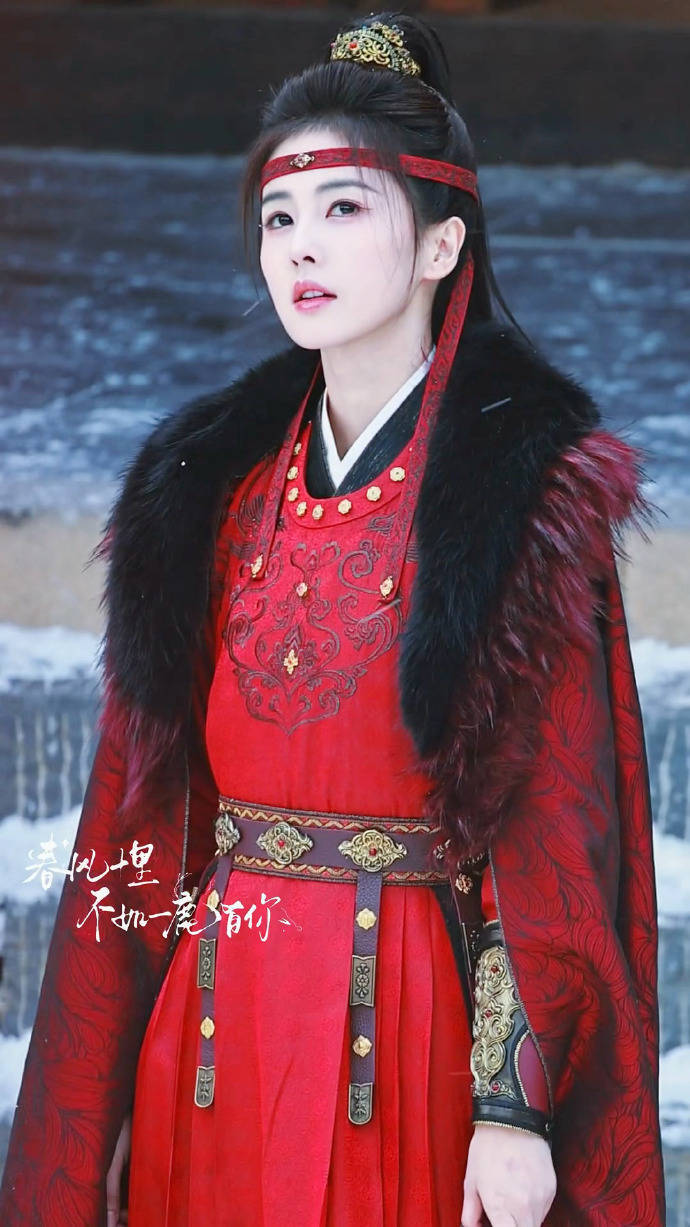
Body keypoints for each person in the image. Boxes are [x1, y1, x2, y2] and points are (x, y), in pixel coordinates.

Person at [0, 11, 665, 1227]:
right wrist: (97, 1096)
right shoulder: (210, 492)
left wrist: (513, 1111)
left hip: (405, 1032)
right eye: (278, 218)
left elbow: (555, 837)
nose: (300, 246)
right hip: (212, 1026)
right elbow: (141, 817)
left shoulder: (520, 500)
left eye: (345, 207)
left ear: (442, 243)